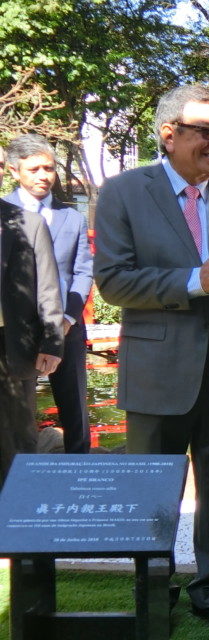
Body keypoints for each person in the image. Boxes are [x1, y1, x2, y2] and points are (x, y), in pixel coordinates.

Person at [94, 84, 209, 636]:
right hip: (156, 373)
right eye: (206, 131)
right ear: (169, 134)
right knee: (153, 493)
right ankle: (152, 594)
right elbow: (113, 281)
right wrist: (197, 279)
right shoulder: (123, 193)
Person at [4, 134, 93, 454]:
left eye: (49, 168)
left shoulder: (72, 217)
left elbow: (83, 271)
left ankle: (78, 482)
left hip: (67, 330)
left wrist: (67, 318)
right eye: (34, 169)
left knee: (75, 414)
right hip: (16, 333)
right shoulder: (5, 216)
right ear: (14, 171)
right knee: (16, 417)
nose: (43, 175)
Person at [0, 145, 63, 482]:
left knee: (17, 437)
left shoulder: (28, 222)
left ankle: (15, 515)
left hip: (11, 343)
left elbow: (48, 289)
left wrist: (53, 342)